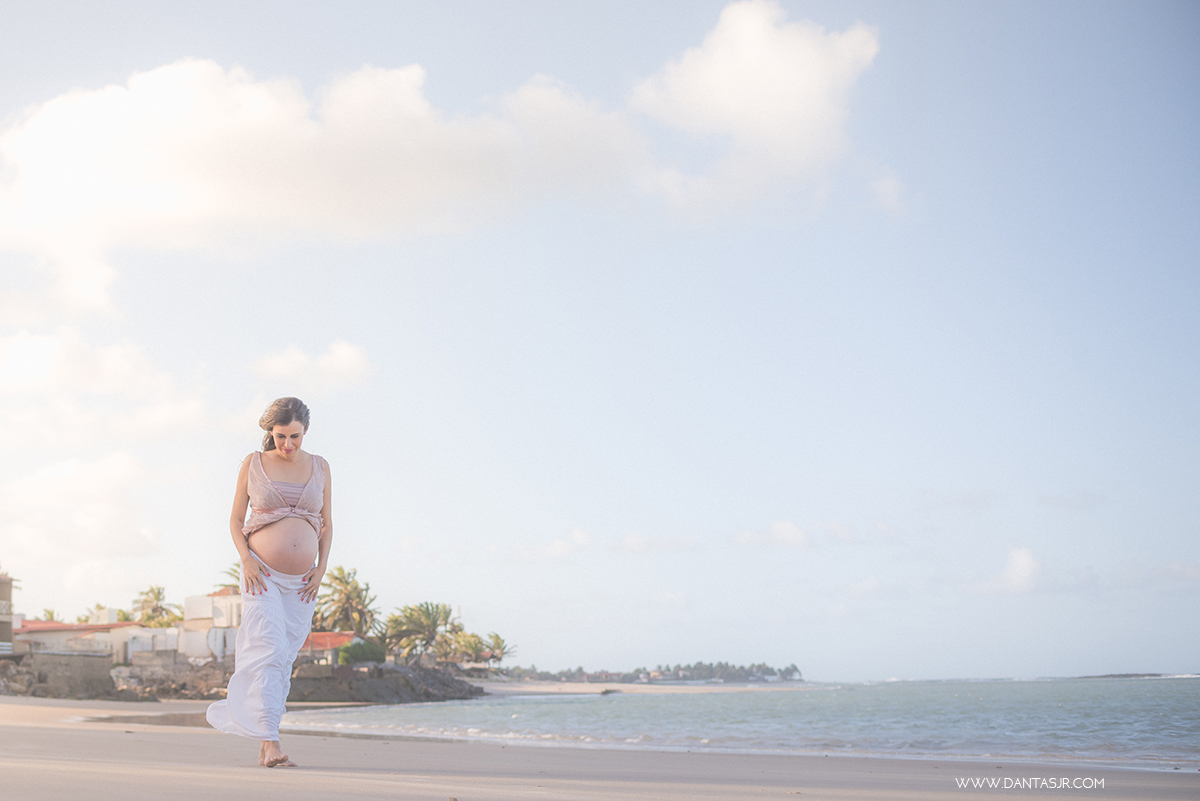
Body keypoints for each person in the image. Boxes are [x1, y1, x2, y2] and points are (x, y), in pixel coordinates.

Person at [206, 397, 332, 768]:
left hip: (303, 582)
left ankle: (265, 743)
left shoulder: (321, 466)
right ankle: (271, 742)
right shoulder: (254, 463)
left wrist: (321, 569)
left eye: (295, 436)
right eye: (280, 436)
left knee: (283, 657)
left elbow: (327, 525)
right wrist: (246, 559)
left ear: (305, 431)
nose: (287, 444)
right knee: (268, 649)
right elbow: (235, 520)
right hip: (261, 574)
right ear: (270, 432)